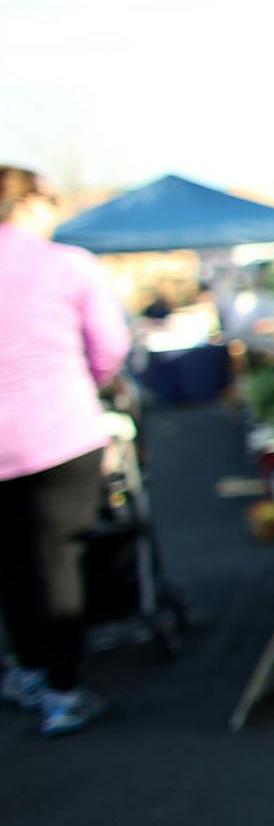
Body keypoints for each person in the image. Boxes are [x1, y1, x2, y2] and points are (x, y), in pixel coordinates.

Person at [0, 165, 129, 736]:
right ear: (28, 204)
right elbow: (110, 349)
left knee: (12, 564)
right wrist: (94, 383)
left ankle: (27, 671)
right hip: (57, 433)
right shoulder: (65, 264)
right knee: (58, 561)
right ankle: (62, 689)